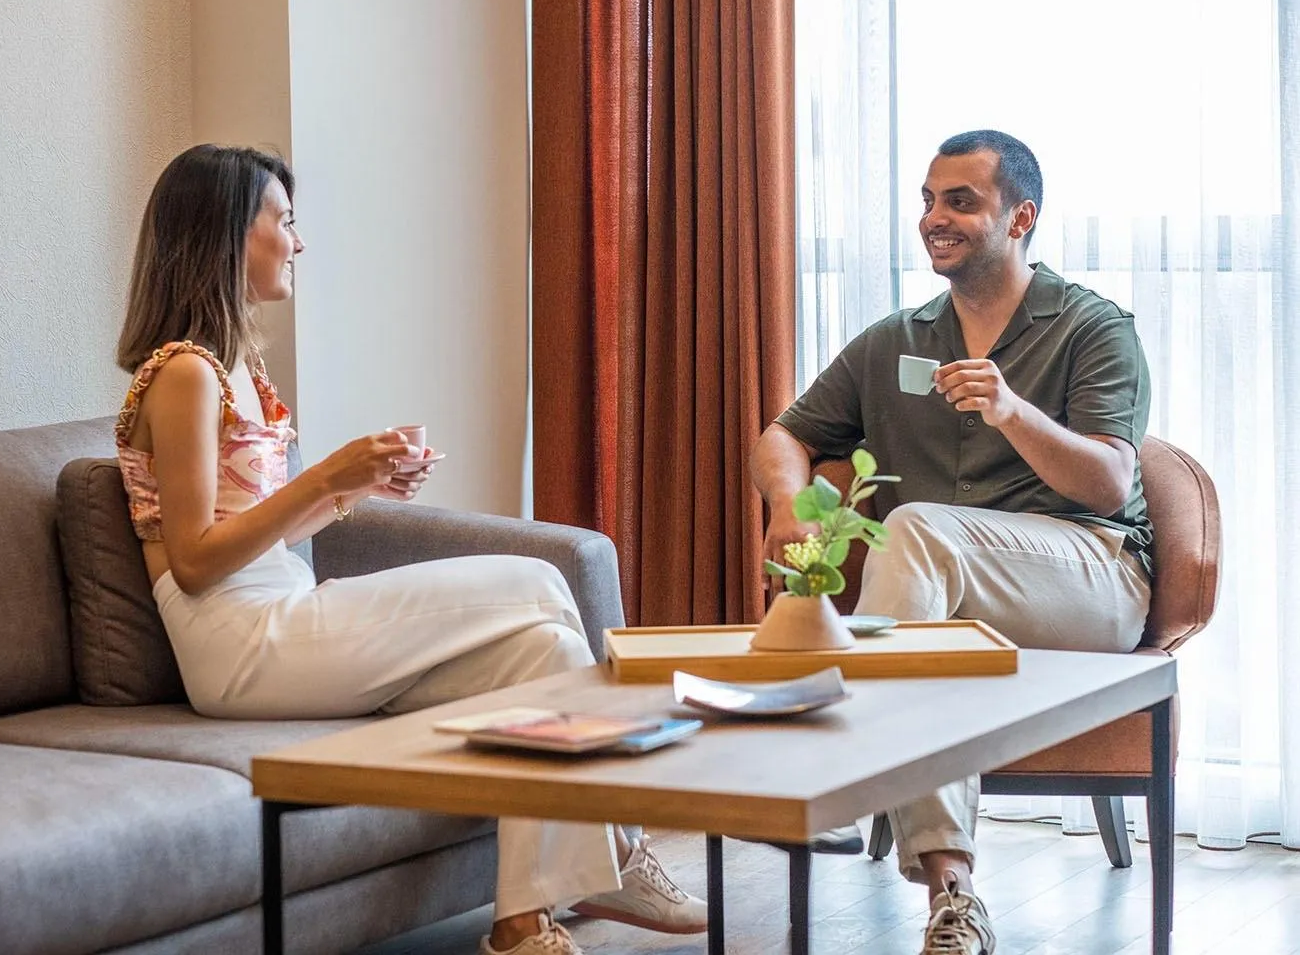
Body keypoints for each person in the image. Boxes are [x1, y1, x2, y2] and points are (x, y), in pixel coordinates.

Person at [113, 145, 706, 955]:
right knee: (539, 580)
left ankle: (522, 924)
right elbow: (197, 561)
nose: (298, 241)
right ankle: (623, 844)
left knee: (546, 650)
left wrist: (351, 492)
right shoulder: (183, 374)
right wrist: (325, 471)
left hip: (279, 612)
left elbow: (261, 532)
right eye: (284, 221)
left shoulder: (236, 365)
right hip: (237, 641)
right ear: (226, 233)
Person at [752, 130, 1153, 955]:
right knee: (929, 641)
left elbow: (1112, 484)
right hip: (939, 585)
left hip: (1089, 572)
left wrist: (1014, 412)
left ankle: (821, 775)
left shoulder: (1091, 327)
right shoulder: (895, 336)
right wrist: (789, 504)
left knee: (916, 535)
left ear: (1020, 218)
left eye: (961, 201)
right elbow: (783, 436)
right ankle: (952, 892)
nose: (936, 218)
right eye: (929, 201)